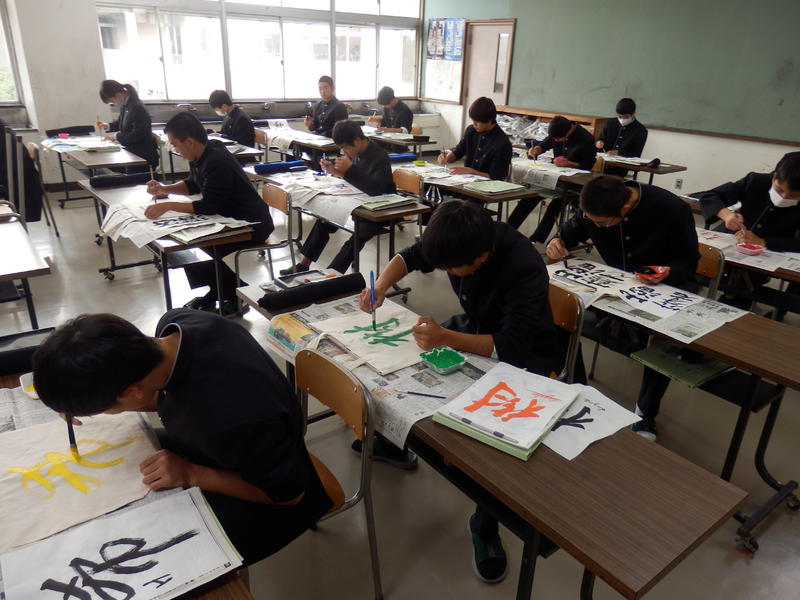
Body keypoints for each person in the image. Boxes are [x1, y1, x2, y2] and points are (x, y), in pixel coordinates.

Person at [31, 310, 333, 567]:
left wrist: (191, 473)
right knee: (131, 458)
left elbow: (289, 495)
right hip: (250, 444)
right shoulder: (179, 325)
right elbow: (170, 396)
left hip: (282, 490)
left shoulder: (225, 418)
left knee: (167, 553)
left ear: (131, 391)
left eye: (105, 409)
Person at [360, 199, 559, 584]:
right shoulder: (456, 237)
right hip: (477, 325)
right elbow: (411, 256)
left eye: (452, 270)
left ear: (481, 257)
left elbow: (511, 346)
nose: (447, 274)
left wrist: (446, 337)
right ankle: (395, 441)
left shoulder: (523, 266)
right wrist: (380, 286)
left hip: (525, 351)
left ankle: (485, 524)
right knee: (407, 366)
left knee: (494, 435)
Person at [546, 175, 699, 441]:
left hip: (663, 287)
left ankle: (645, 413)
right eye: (591, 219)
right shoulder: (595, 207)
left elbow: (689, 261)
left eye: (602, 223)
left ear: (625, 208)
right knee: (559, 309)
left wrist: (668, 272)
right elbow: (571, 230)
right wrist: (556, 241)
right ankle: (576, 388)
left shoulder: (672, 209)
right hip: (617, 285)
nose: (595, 226)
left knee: (664, 338)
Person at [144, 112, 273, 316]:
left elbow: (208, 206)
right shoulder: (202, 153)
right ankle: (220, 291)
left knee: (195, 249)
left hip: (252, 223)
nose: (174, 149)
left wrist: (168, 206)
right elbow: (193, 184)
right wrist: (165, 189)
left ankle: (237, 293)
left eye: (175, 144)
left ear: (189, 141)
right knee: (185, 248)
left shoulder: (216, 160)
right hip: (228, 218)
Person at [280, 120, 396, 275]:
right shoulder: (356, 152)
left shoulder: (379, 156)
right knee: (325, 218)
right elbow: (356, 181)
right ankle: (304, 264)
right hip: (358, 203)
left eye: (345, 147)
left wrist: (349, 170)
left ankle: (333, 275)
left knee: (359, 233)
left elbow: (376, 190)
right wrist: (336, 172)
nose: (344, 152)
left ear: (357, 140)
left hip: (382, 210)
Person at [699, 151, 800, 311]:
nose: (784, 197)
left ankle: (736, 305)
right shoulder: (756, 181)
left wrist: (763, 242)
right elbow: (711, 196)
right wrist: (726, 215)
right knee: (697, 263)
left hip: (769, 252)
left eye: (792, 196)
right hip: (731, 238)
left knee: (743, 290)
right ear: (774, 177)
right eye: (780, 190)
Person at [507, 116, 597, 240]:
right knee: (530, 196)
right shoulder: (557, 131)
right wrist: (536, 149)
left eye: (558, 139)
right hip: (554, 178)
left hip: (574, 183)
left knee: (555, 205)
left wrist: (570, 163)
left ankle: (537, 239)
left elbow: (587, 166)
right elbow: (545, 145)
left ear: (568, 131)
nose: (556, 141)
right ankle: (507, 230)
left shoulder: (586, 139)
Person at [437, 97, 512, 180]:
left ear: (489, 120)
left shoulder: (502, 143)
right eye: (473, 120)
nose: (474, 124)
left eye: (477, 121)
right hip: (465, 181)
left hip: (487, 185)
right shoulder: (471, 131)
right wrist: (447, 157)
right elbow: (458, 152)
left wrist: (471, 171)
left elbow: (496, 177)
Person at [97, 80, 159, 171]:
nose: (113, 103)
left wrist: (116, 136)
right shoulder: (126, 105)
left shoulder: (137, 107)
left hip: (142, 155)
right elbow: (121, 123)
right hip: (132, 152)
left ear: (118, 95)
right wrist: (107, 126)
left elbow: (137, 135)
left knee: (111, 168)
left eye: (111, 100)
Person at [595, 98, 648, 176]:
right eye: (619, 116)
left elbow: (636, 154)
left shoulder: (641, 130)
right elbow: (600, 139)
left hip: (620, 169)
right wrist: (599, 142)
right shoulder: (610, 123)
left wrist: (619, 152)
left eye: (626, 117)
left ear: (633, 114)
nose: (622, 119)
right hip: (602, 163)